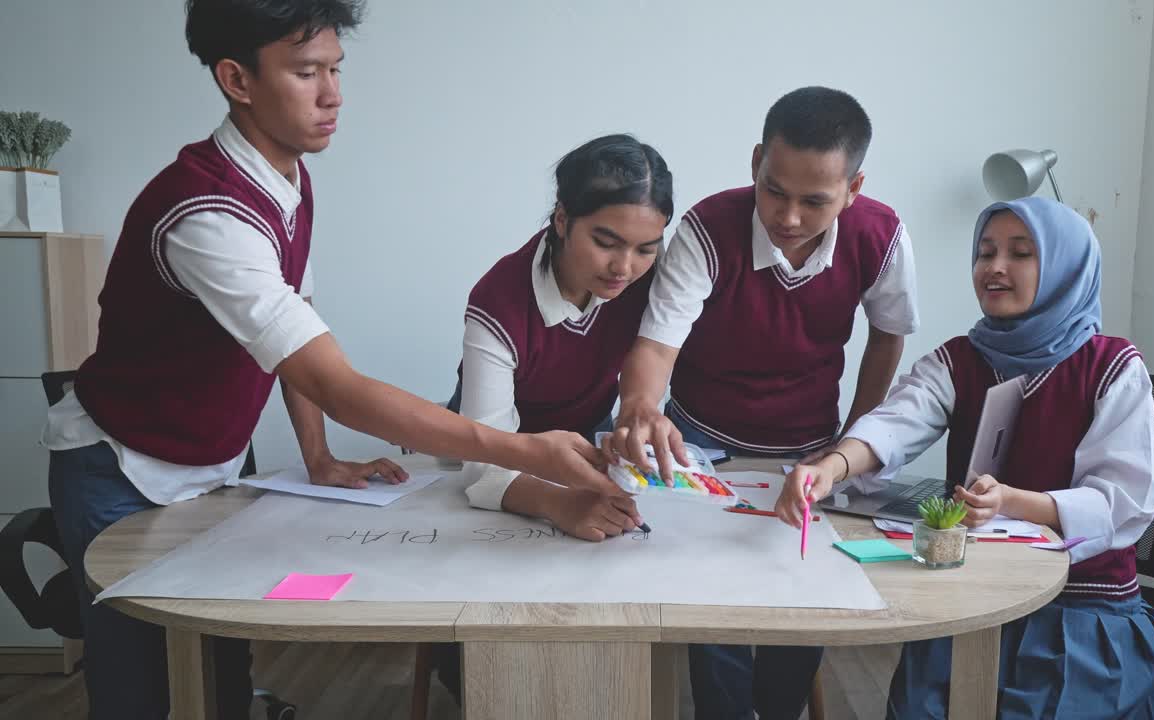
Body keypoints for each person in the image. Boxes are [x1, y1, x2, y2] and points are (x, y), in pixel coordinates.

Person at [43, 2, 607, 717]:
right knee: (138, 693)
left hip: (213, 462)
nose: (333, 94)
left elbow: (295, 327)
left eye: (336, 69)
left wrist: (318, 456)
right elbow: (333, 382)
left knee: (218, 669)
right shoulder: (206, 215)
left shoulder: (288, 179)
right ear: (236, 79)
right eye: (307, 72)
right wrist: (522, 449)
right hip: (121, 465)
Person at [776, 197, 1154, 718]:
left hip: (1079, 613)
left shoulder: (1111, 366)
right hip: (974, 596)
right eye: (985, 251)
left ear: (1065, 266)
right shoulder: (962, 358)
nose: (995, 267)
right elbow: (896, 422)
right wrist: (832, 467)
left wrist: (1013, 501)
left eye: (1021, 253)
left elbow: (1124, 502)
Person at [607, 86, 920, 720]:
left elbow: (887, 336)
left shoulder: (881, 235)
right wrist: (640, 405)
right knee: (711, 598)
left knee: (801, 592)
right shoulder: (707, 228)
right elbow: (657, 343)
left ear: (853, 188)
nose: (791, 217)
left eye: (816, 201)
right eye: (775, 190)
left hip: (809, 445)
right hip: (705, 441)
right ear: (756, 162)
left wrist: (850, 446)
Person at [453, 134, 673, 541]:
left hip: (591, 435)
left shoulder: (654, 279)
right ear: (561, 219)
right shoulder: (499, 302)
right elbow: (483, 465)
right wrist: (558, 503)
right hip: (508, 446)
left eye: (646, 249)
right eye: (605, 243)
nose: (623, 267)